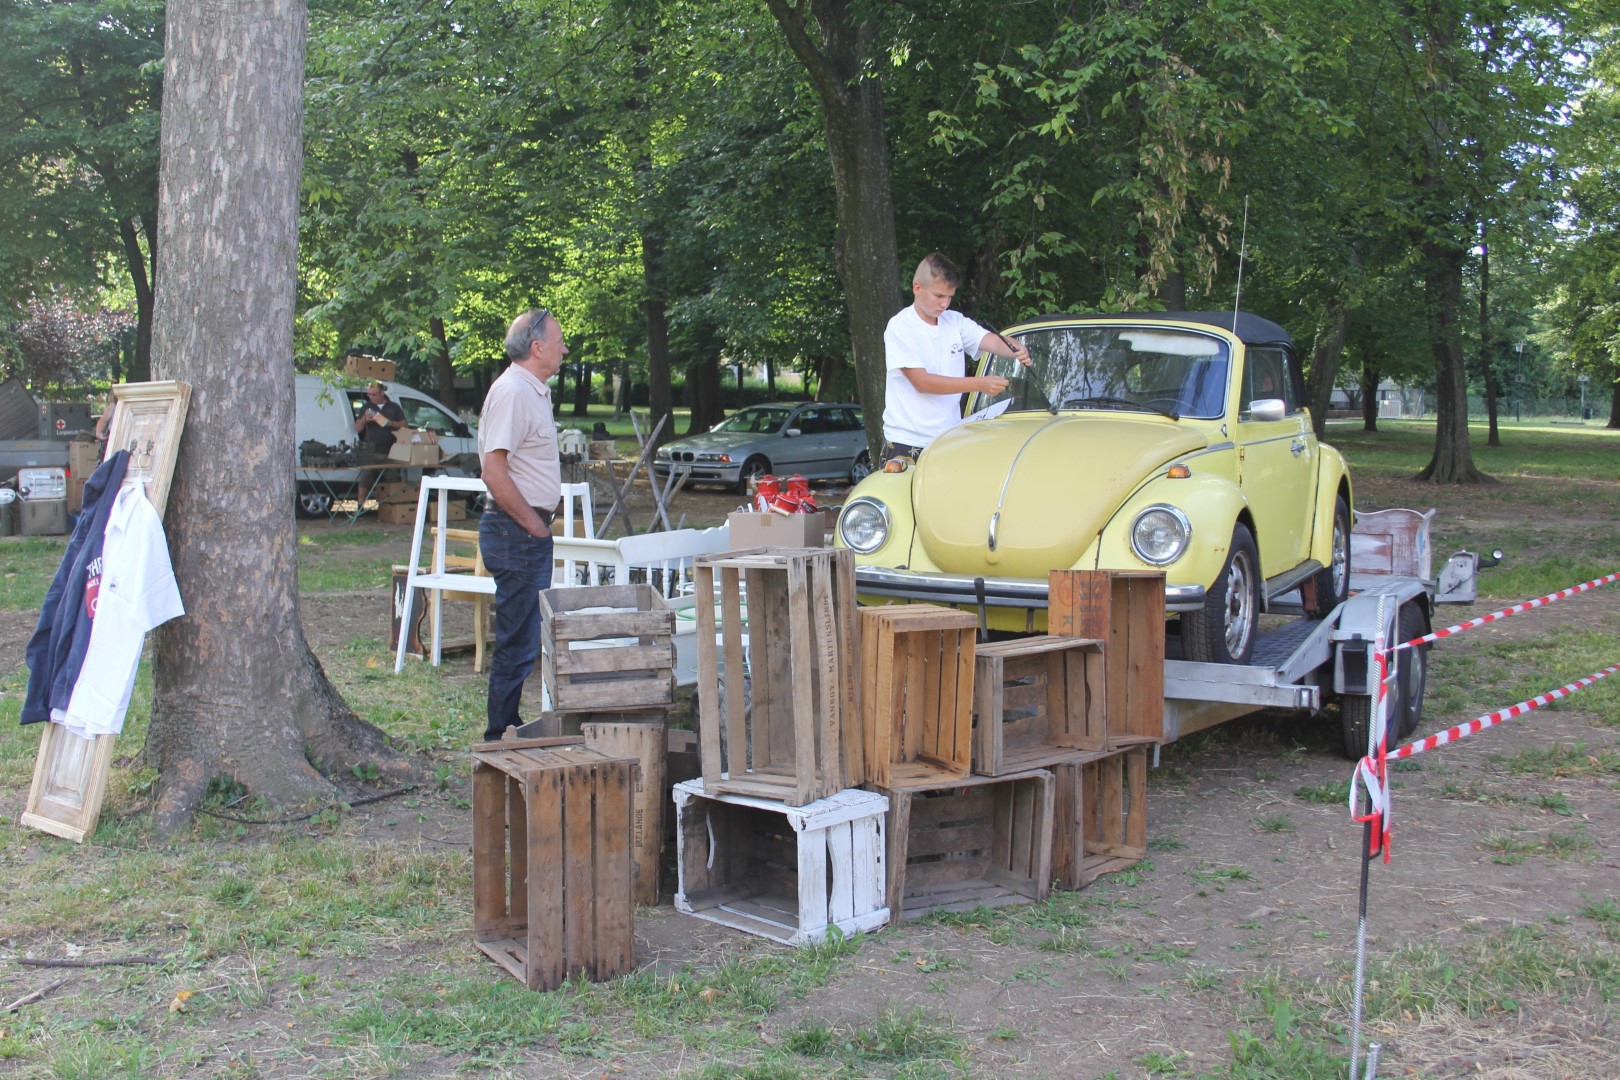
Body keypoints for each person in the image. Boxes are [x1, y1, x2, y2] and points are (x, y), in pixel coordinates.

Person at [478, 308, 566, 741]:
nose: (564, 348)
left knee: (522, 640)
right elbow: (493, 471)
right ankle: (499, 738)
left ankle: (507, 732)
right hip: (516, 532)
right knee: (516, 642)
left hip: (524, 530)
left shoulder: (532, 391)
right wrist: (535, 526)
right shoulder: (513, 391)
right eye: (559, 340)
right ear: (537, 348)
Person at [881, 252, 1031, 461]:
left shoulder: (954, 321)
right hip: (907, 442)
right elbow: (922, 382)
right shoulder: (900, 327)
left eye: (950, 297)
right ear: (917, 288)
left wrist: (1014, 348)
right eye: (939, 296)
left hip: (948, 438)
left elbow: (992, 341)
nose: (945, 304)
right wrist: (979, 384)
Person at [354, 381, 406, 458]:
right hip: (370, 452)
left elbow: (405, 426)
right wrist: (364, 420)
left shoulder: (394, 407)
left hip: (391, 452)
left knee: (390, 470)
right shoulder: (366, 407)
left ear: (382, 393)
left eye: (374, 394)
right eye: (369, 394)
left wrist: (391, 423)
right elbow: (357, 429)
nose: (371, 397)